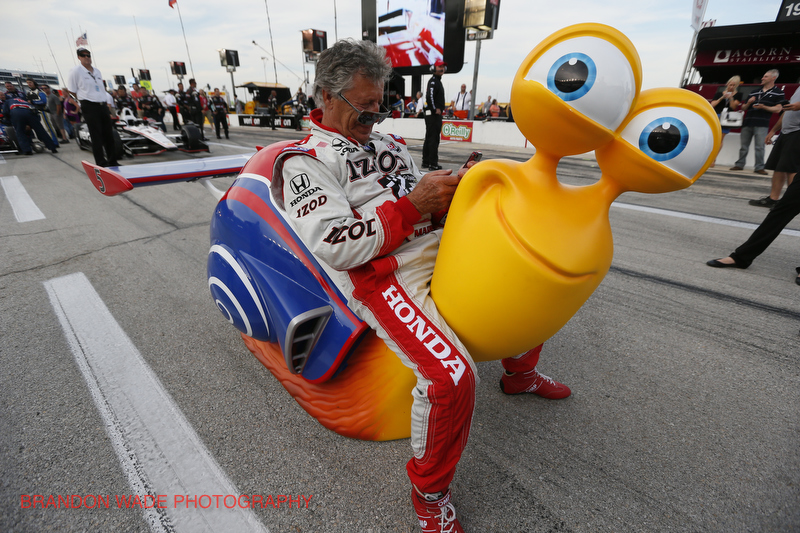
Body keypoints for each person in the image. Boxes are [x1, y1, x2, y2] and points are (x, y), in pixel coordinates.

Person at [270, 39, 569, 533]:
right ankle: (429, 493)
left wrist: (456, 187)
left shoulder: (387, 143)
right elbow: (337, 245)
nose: (374, 116)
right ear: (324, 96)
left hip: (432, 243)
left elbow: (416, 197)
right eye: (362, 106)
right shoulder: (304, 161)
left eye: (378, 104)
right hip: (382, 273)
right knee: (451, 378)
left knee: (526, 274)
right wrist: (415, 206)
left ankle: (520, 373)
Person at [67, 47, 119, 167]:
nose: (86, 57)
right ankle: (101, 162)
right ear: (79, 57)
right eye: (83, 55)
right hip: (89, 105)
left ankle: (113, 161)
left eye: (88, 55)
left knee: (108, 134)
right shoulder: (75, 71)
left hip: (102, 104)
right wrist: (82, 101)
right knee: (96, 135)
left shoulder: (97, 71)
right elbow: (71, 90)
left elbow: (101, 89)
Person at [730, 69, 784, 175]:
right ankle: (739, 164)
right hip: (748, 121)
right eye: (763, 76)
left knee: (760, 146)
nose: (762, 78)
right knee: (744, 146)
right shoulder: (754, 91)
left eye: (765, 76)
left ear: (773, 78)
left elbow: (778, 109)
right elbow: (744, 107)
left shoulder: (778, 92)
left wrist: (763, 107)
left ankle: (759, 167)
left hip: (762, 123)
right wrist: (749, 102)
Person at [3, 81, 59, 155]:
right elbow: (33, 107)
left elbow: (5, 113)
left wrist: (8, 122)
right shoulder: (23, 96)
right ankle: (52, 147)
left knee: (20, 132)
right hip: (30, 110)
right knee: (41, 130)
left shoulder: (8, 100)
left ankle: (27, 150)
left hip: (17, 112)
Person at [709, 76, 742, 166]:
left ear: (736, 86)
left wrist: (731, 98)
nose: (731, 86)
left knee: (720, 139)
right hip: (717, 115)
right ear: (727, 84)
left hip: (727, 118)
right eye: (730, 84)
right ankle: (708, 157)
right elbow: (712, 105)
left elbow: (733, 107)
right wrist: (722, 97)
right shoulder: (719, 93)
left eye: (733, 85)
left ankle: (713, 159)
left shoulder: (738, 95)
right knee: (713, 137)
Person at [423, 59, 446, 171]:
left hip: (432, 114)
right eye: (439, 66)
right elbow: (429, 96)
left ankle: (426, 162)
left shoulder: (437, 81)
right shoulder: (433, 81)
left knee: (429, 137)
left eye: (443, 67)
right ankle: (433, 163)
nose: (442, 69)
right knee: (433, 138)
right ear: (434, 69)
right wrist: (434, 109)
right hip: (433, 115)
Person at [26, 79, 60, 147]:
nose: (29, 84)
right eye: (28, 83)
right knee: (40, 129)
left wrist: (33, 102)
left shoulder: (40, 92)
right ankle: (46, 142)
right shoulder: (29, 92)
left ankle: (54, 142)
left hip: (42, 111)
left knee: (48, 127)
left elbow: (43, 101)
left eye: (30, 82)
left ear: (34, 83)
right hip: (34, 113)